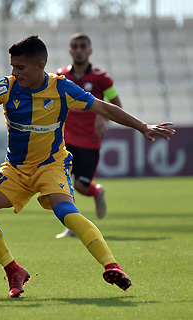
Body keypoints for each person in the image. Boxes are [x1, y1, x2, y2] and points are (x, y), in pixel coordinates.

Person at [0, 35, 174, 298]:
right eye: (12, 66)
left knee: (66, 212)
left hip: (51, 165)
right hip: (15, 169)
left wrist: (143, 126)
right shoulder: (6, 86)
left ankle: (112, 266)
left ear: (40, 66)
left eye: (20, 67)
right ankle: (13, 270)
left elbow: (104, 108)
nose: (14, 72)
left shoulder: (62, 88)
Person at [55, 33, 122, 239]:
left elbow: (116, 105)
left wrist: (103, 117)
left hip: (90, 140)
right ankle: (72, 225)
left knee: (81, 186)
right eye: (75, 46)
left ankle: (97, 192)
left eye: (83, 46)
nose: (79, 50)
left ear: (90, 51)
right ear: (70, 51)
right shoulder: (61, 75)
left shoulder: (102, 79)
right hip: (64, 140)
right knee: (62, 183)